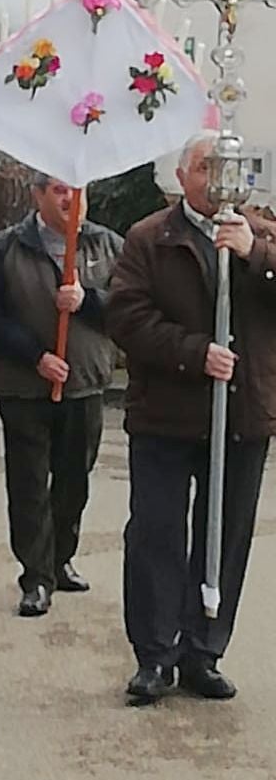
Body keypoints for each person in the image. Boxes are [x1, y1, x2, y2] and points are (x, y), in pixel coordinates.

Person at [106, 131, 276, 704]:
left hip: (242, 415)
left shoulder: (262, 233)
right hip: (166, 414)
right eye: (206, 167)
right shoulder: (150, 238)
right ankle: (155, 654)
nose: (218, 179)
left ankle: (205, 649)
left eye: (229, 168)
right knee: (156, 534)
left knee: (224, 538)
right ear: (181, 176)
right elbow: (126, 317)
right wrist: (193, 352)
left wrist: (257, 254)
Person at [0, 173, 123, 618]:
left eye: (78, 191)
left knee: (74, 480)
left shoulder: (107, 245)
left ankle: (60, 558)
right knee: (30, 482)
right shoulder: (7, 247)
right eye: (59, 190)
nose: (71, 199)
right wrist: (34, 355)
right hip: (25, 387)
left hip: (85, 384)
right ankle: (35, 576)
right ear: (38, 195)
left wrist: (88, 300)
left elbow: (133, 303)